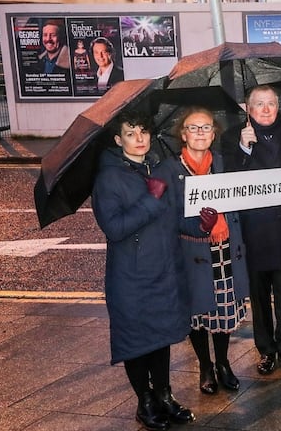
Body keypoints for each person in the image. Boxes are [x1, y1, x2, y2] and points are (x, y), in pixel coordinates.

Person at [91, 110, 195, 430]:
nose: (140, 139)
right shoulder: (108, 178)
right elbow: (115, 228)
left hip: (163, 270)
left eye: (144, 132)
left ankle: (164, 395)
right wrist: (150, 199)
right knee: (137, 340)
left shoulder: (161, 169)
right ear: (118, 139)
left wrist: (200, 225)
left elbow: (175, 216)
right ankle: (145, 401)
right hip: (131, 277)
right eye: (132, 133)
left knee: (160, 336)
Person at [221, 85, 281, 376]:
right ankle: (266, 350)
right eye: (259, 104)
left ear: (278, 106)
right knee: (258, 297)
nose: (266, 109)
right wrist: (244, 149)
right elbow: (228, 181)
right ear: (248, 108)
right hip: (251, 231)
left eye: (271, 103)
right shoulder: (233, 138)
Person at [171, 107, 250, 396]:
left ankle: (223, 363)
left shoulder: (223, 163)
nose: (200, 133)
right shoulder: (171, 170)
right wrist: (195, 224)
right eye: (193, 127)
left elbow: (246, 194)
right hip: (193, 252)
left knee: (224, 312)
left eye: (206, 128)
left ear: (213, 134)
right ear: (183, 133)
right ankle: (205, 366)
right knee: (199, 313)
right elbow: (167, 216)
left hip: (225, 247)